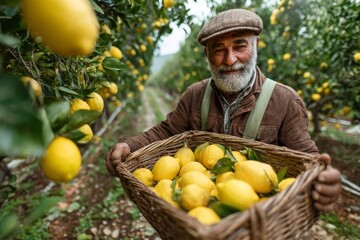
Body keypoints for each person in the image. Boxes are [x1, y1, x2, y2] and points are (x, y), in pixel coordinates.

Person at [106, 8, 341, 212]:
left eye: (240, 46)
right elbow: (166, 131)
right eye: (219, 50)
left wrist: (322, 179)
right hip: (201, 210)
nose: (230, 60)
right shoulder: (195, 95)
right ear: (207, 55)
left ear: (255, 46)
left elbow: (306, 162)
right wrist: (130, 146)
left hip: (257, 217)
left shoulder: (284, 101)